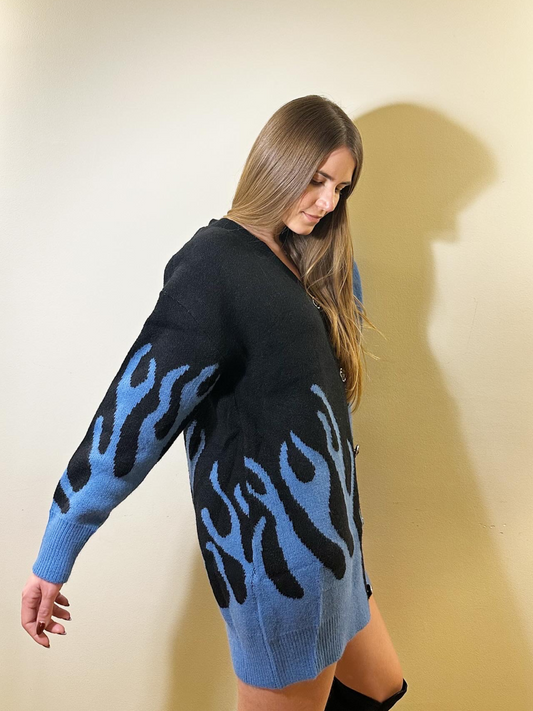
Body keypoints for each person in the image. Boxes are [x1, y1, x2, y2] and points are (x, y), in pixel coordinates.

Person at [21, 94, 408, 710]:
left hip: (334, 552)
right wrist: (58, 546)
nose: (327, 203)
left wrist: (330, 273)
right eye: (316, 181)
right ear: (276, 164)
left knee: (381, 688)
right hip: (282, 568)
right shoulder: (214, 265)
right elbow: (136, 413)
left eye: (341, 189)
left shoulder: (300, 261)